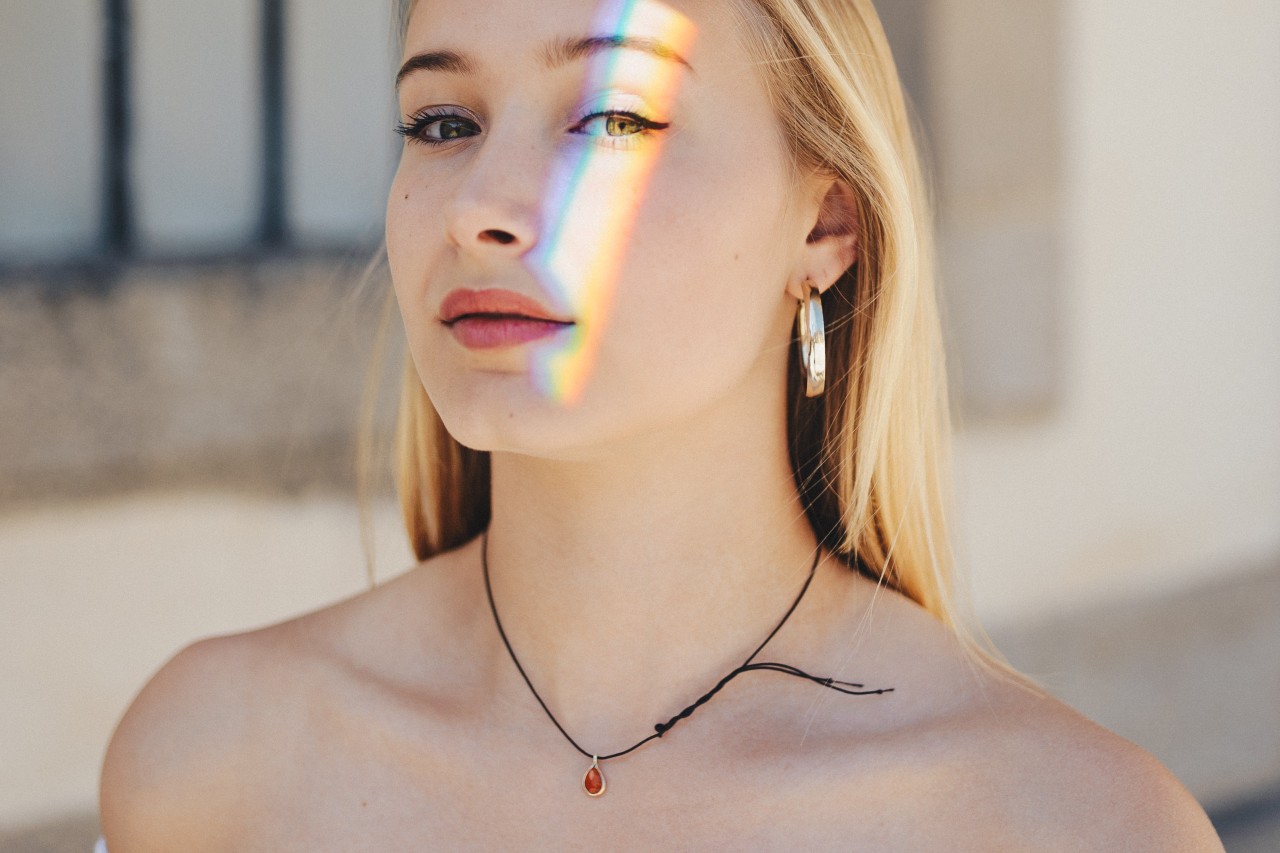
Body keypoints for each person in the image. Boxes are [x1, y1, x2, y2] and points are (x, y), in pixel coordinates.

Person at [98, 0, 1225, 848]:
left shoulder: (1073, 825)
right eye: (442, 121)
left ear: (824, 221)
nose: (482, 205)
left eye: (612, 117)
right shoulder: (213, 764)